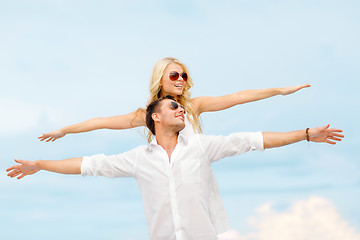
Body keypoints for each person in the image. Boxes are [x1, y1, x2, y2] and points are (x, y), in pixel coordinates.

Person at [7, 96, 343, 240]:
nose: (181, 109)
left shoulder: (201, 146)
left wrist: (305, 134)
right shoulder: (138, 158)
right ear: (156, 117)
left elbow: (253, 139)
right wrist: (41, 165)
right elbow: (87, 165)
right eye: (173, 107)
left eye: (182, 107)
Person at [38, 57, 310, 143]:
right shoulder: (146, 114)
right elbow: (101, 122)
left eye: (185, 75)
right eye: (175, 74)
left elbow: (237, 97)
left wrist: (279, 90)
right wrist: (64, 130)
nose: (181, 79)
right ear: (161, 79)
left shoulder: (193, 106)